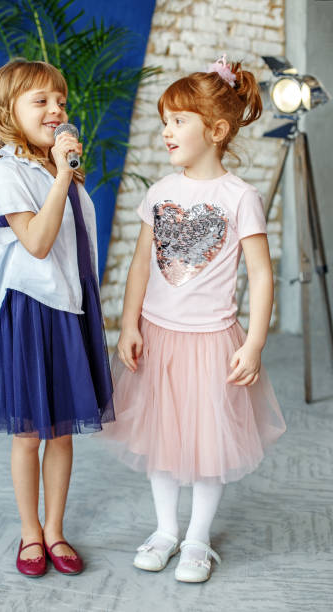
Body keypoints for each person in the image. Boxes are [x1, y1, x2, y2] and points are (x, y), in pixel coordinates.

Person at [99, 55, 286, 583]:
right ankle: (165, 530)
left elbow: (262, 276)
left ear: (217, 130)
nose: (167, 131)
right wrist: (129, 324)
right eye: (165, 120)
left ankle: (198, 540)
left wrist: (252, 344)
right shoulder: (160, 193)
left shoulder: (238, 197)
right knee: (161, 437)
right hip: (158, 336)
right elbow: (141, 263)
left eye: (179, 120)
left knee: (207, 443)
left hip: (211, 341)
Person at [0, 58, 114, 578]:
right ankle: (30, 532)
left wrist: (64, 174)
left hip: (70, 305)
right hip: (32, 312)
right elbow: (36, 243)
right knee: (30, 433)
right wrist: (61, 175)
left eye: (60, 101)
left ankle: (56, 529)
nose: (56, 110)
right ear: (8, 112)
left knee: (61, 432)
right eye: (41, 102)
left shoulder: (62, 173)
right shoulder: (9, 172)